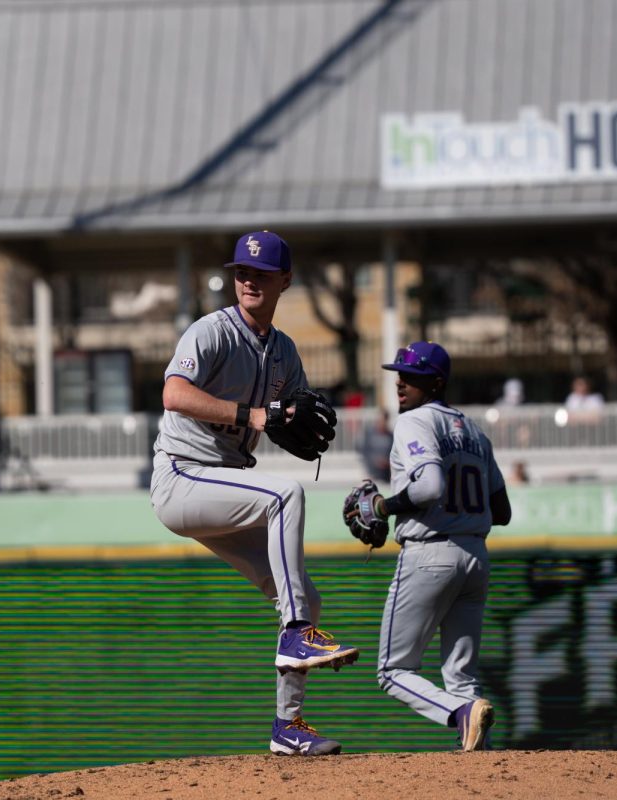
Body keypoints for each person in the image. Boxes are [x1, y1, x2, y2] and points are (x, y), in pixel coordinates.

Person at [149, 231, 359, 757]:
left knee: (307, 598)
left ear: (284, 281)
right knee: (284, 496)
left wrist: (296, 422)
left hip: (225, 486)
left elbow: (295, 416)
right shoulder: (212, 331)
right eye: (242, 271)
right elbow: (174, 393)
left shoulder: (283, 351)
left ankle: (287, 728)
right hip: (183, 476)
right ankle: (295, 635)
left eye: (261, 273)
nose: (248, 280)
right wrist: (255, 415)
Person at [342, 341, 511, 751]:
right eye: (399, 374)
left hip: (430, 553)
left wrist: (383, 505)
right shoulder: (475, 433)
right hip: (475, 557)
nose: (400, 383)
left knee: (393, 670)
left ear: (436, 383)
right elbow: (502, 510)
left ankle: (459, 714)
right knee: (462, 677)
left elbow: (430, 486)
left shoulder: (415, 421)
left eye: (411, 376)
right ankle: (480, 756)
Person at [360, 408, 394, 484]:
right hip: (371, 473)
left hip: (386, 475)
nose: (380, 422)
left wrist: (387, 462)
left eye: (382, 420)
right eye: (378, 420)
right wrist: (374, 461)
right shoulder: (369, 434)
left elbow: (394, 454)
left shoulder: (391, 436)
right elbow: (365, 452)